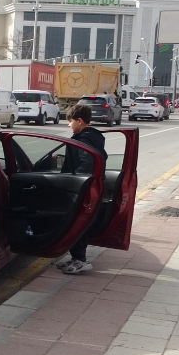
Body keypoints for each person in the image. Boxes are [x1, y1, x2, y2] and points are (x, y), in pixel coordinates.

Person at [56, 104, 108, 275]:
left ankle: (81, 260)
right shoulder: (93, 138)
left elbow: (86, 166)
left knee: (75, 223)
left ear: (79, 121)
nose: (69, 125)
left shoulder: (84, 141)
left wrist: (74, 184)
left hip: (81, 188)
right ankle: (78, 257)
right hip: (89, 188)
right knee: (80, 224)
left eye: (70, 121)